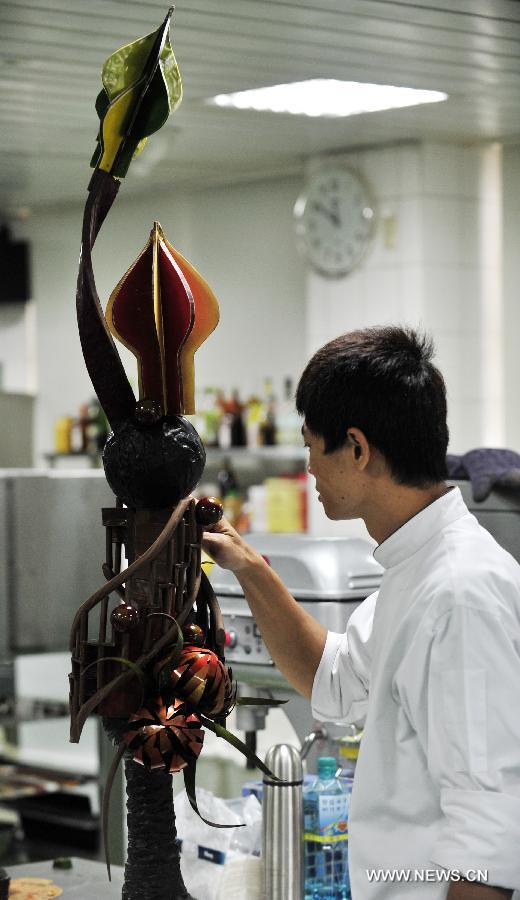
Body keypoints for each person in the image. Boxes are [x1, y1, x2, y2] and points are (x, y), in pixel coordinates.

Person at [202, 326, 520, 900]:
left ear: (356, 447)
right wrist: (247, 566)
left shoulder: (458, 594)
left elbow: (489, 836)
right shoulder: (415, 569)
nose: (309, 469)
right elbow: (333, 681)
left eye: (311, 446)